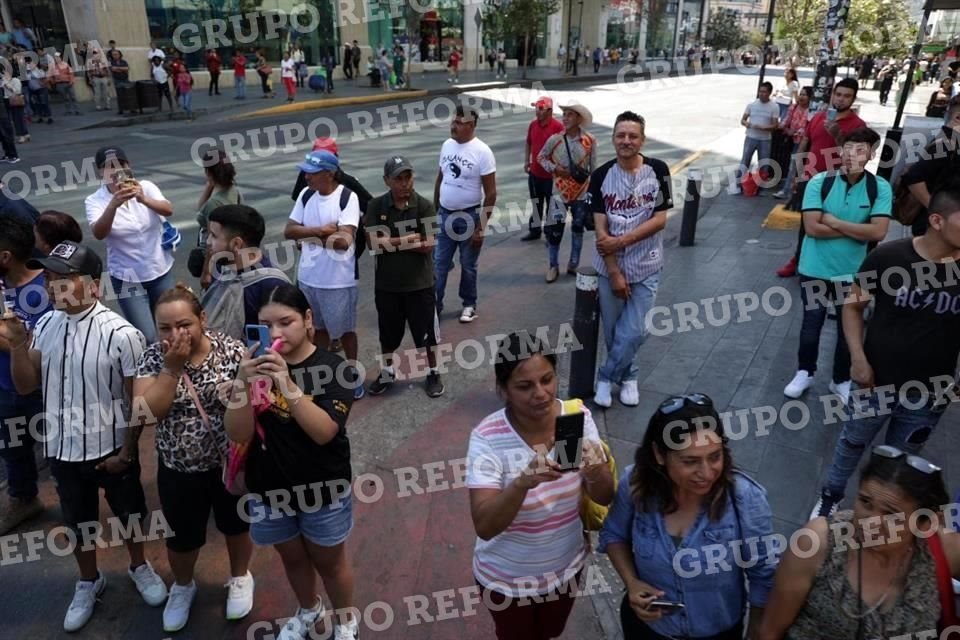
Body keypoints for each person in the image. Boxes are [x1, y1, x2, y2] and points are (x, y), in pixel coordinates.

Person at [0, 241, 167, 632]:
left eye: (64, 277)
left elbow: (135, 401)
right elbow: (26, 387)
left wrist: (126, 453)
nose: (54, 284)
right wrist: (19, 345)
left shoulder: (122, 334)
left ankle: (139, 567)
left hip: (111, 448)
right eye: (51, 277)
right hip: (62, 448)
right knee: (79, 522)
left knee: (129, 515)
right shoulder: (44, 325)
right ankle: (89, 580)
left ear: (93, 286)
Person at [809, 184, 960, 520]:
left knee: (899, 459)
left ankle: (879, 512)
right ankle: (831, 497)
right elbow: (852, 307)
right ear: (936, 220)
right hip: (874, 382)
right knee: (851, 444)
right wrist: (858, 360)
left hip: (929, 393)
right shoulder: (889, 257)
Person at [223, 283, 358, 640]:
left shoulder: (334, 367)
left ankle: (346, 622)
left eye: (286, 322)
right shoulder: (254, 368)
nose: (275, 334)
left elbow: (324, 431)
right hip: (270, 488)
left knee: (329, 562)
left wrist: (286, 383)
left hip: (322, 488)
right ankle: (309, 610)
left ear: (308, 319)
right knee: (293, 558)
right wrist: (241, 383)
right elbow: (238, 432)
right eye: (265, 325)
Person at [467, 332, 614, 640]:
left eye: (547, 379)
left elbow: (605, 495)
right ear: (503, 389)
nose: (541, 393)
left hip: (566, 569)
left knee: (550, 633)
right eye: (525, 386)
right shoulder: (487, 437)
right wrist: (522, 483)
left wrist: (596, 470)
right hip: (507, 581)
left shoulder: (577, 417)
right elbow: (485, 525)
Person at [600, 394, 775, 639]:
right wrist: (632, 583)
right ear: (659, 455)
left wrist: (756, 635)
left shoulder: (745, 498)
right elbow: (613, 534)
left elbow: (763, 575)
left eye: (715, 456)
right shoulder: (636, 484)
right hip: (647, 630)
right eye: (690, 461)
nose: (706, 473)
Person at [133, 285, 254, 632]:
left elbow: (254, 403)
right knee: (182, 537)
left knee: (236, 525)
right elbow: (146, 413)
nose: (175, 335)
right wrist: (171, 369)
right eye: (165, 328)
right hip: (179, 468)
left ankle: (240, 576)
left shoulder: (232, 352)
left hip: (229, 464)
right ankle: (183, 586)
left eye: (184, 324)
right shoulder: (155, 358)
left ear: (202, 319)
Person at [759, 447, 960, 639]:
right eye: (865, 502)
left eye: (891, 514)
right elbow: (769, 632)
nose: (870, 522)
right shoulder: (817, 542)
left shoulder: (942, 550)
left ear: (926, 523)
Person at [783, 127, 892, 404]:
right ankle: (804, 372)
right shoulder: (819, 182)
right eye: (847, 148)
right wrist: (858, 229)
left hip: (855, 274)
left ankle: (840, 379)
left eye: (860, 149)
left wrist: (833, 222)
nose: (851, 155)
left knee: (849, 332)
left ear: (871, 154)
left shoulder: (879, 187)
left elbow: (878, 232)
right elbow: (812, 228)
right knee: (811, 327)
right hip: (815, 268)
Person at [590, 111, 671, 408]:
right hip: (609, 266)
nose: (626, 141)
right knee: (614, 331)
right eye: (621, 135)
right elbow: (601, 230)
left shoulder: (659, 170)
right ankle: (630, 377)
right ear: (613, 138)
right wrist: (613, 272)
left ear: (642, 140)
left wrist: (623, 240)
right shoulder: (600, 176)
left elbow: (660, 219)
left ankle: (606, 376)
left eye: (632, 136)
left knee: (635, 329)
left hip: (647, 264)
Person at [284, 150, 364, 398]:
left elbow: (343, 242)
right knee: (317, 331)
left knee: (346, 331)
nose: (306, 178)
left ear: (329, 174)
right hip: (308, 277)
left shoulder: (347, 198)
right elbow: (288, 231)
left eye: (312, 173)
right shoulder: (306, 195)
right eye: (306, 172)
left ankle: (351, 373)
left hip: (338, 281)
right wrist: (321, 231)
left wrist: (307, 236)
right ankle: (321, 374)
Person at [364, 155, 443, 398]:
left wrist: (390, 242)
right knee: (387, 334)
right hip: (387, 286)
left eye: (408, 177)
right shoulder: (376, 206)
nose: (405, 183)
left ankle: (433, 372)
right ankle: (388, 371)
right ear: (387, 181)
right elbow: (373, 244)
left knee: (427, 334)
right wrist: (408, 239)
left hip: (420, 285)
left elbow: (428, 245)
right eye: (398, 178)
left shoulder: (424, 206)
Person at [776, 78, 867, 277]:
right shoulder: (818, 117)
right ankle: (798, 259)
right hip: (810, 180)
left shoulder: (858, 125)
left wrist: (837, 136)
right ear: (832, 94)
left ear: (853, 99)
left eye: (847, 96)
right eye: (839, 94)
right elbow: (804, 146)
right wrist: (797, 176)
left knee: (829, 225)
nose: (841, 100)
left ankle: (821, 265)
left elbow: (857, 156)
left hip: (838, 183)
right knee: (805, 224)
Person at [85, 146, 175, 343]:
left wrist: (143, 199)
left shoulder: (147, 187)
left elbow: (168, 210)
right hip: (127, 277)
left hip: (160, 270)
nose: (115, 170)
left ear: (128, 166)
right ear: (100, 173)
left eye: (120, 164)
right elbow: (99, 233)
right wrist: (113, 205)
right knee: (148, 336)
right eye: (108, 167)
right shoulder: (94, 200)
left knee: (170, 329)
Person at [0, 218, 50, 535]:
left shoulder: (47, 287)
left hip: (44, 387)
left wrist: (10, 338)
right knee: (12, 448)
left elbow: (41, 346)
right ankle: (24, 498)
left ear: (6, 257)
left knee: (59, 447)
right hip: (5, 388)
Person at [433, 106, 497, 324]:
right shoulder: (446, 145)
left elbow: (491, 193)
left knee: (468, 265)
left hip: (468, 217)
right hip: (444, 214)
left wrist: (481, 227)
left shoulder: (482, 152)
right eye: (453, 121)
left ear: (470, 126)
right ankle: (435, 304)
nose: (453, 125)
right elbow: (440, 178)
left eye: (459, 122)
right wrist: (435, 211)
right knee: (439, 263)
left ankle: (469, 304)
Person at [201, 204, 290, 339]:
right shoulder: (222, 268)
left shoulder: (272, 285)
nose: (208, 241)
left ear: (236, 244)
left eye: (214, 236)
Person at [538, 103, 597, 281]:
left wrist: (592, 194)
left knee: (578, 229)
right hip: (559, 193)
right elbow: (541, 157)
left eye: (570, 115)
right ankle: (553, 266)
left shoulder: (590, 140)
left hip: (581, 192)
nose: (565, 118)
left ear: (579, 119)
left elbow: (593, 168)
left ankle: (573, 264)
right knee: (555, 232)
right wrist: (554, 168)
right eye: (564, 114)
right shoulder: (555, 140)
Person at [902, 97, 960, 236]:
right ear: (958, 118)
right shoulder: (945, 144)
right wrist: (936, 211)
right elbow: (913, 178)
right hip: (933, 229)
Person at [195, 149, 241, 288]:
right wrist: (210, 183)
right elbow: (201, 207)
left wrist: (206, 273)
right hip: (231, 253)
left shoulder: (213, 204)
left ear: (208, 173)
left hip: (216, 260)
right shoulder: (234, 190)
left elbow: (211, 242)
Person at [521, 96, 564, 242]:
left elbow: (563, 149)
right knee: (536, 203)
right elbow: (528, 143)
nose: (537, 112)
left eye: (540, 109)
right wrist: (527, 160)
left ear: (549, 110)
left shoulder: (558, 127)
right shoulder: (533, 125)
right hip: (535, 173)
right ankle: (535, 230)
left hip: (551, 175)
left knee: (551, 205)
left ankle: (549, 231)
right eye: (536, 108)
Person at [734, 81, 780, 193]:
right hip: (751, 136)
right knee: (745, 160)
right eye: (760, 91)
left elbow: (775, 124)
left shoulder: (774, 106)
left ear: (769, 93)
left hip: (765, 139)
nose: (762, 94)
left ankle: (761, 187)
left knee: (764, 163)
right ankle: (738, 184)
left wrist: (765, 128)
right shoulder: (752, 104)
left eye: (764, 92)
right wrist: (747, 124)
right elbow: (743, 120)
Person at [773, 86, 813, 199]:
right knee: (793, 167)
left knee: (805, 168)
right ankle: (787, 191)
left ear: (810, 97)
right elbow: (786, 121)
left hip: (808, 144)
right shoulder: (793, 107)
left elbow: (808, 128)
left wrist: (794, 132)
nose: (802, 97)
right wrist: (782, 127)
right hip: (795, 143)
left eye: (805, 94)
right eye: (801, 94)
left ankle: (801, 192)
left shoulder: (811, 111)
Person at [1, 73, 28, 144]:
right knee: (15, 119)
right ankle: (26, 134)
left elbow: (18, 91)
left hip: (16, 101)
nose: (4, 76)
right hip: (8, 101)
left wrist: (8, 86)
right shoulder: (3, 82)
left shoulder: (16, 80)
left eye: (5, 74)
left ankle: (21, 136)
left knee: (18, 119)